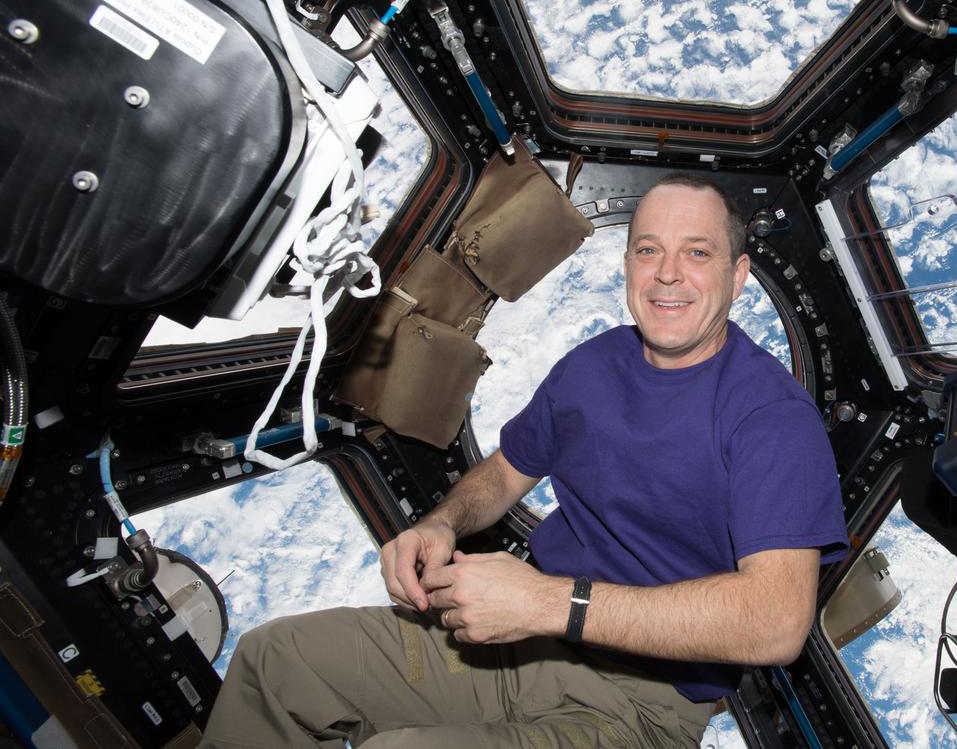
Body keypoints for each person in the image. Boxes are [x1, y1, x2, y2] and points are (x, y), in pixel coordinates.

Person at [200, 174, 848, 748]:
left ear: (737, 274)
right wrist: (443, 523)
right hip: (518, 643)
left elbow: (775, 622)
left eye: (697, 252)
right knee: (276, 662)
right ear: (628, 263)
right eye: (648, 249)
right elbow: (508, 469)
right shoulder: (592, 367)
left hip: (642, 705)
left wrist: (548, 602)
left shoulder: (773, 419)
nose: (668, 273)